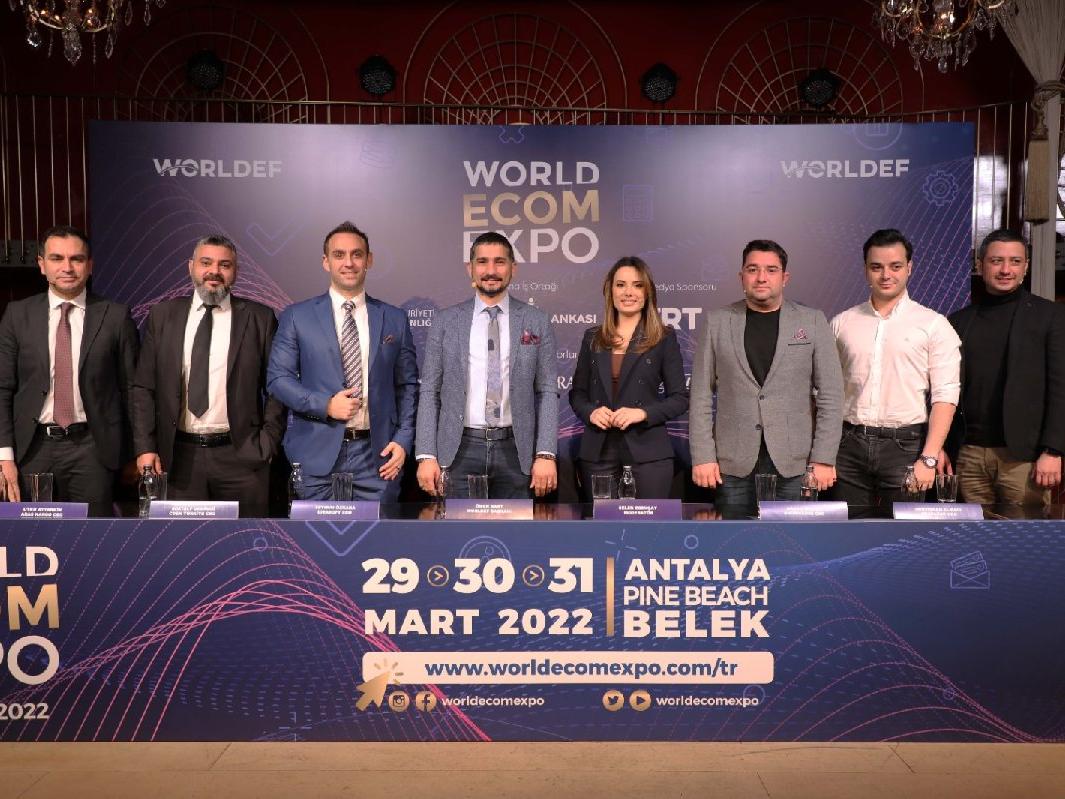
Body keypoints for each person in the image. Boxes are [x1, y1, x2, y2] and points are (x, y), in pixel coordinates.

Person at [133, 234, 285, 517]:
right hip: (178, 457)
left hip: (242, 457)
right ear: (191, 267)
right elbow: (143, 387)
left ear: (235, 272)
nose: (214, 271)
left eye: (224, 265)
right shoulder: (163, 315)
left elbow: (277, 387)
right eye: (206, 263)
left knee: (247, 539)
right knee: (184, 541)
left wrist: (267, 442)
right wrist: (145, 447)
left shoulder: (260, 318)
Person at [689, 239, 843, 514]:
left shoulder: (812, 321)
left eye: (771, 270)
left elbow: (831, 394)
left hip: (795, 463)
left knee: (794, 539)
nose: (761, 277)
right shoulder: (717, 322)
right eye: (753, 269)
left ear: (785, 278)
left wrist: (823, 458)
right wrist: (702, 456)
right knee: (733, 539)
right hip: (732, 464)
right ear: (742, 276)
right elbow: (700, 394)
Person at [267, 221, 417, 502]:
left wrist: (403, 438)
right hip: (314, 457)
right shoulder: (297, 316)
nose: (349, 263)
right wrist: (325, 405)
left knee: (379, 533)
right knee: (314, 532)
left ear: (369, 260)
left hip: (379, 459)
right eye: (339, 255)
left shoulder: (394, 318)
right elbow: (278, 380)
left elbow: (407, 386)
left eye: (357, 254)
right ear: (326, 262)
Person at [0, 225, 139, 515]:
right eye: (57, 258)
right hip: (32, 449)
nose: (67, 267)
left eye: (76, 259)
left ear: (90, 266)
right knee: (35, 534)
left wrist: (137, 452)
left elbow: (132, 390)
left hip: (93, 450)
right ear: (42, 265)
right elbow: (3, 388)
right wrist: (4, 455)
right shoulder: (17, 314)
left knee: (94, 535)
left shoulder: (115, 316)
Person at [415, 231, 558, 499]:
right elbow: (429, 390)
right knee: (457, 526)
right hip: (458, 451)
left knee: (517, 527)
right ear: (470, 268)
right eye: (482, 262)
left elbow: (548, 391)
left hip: (517, 452)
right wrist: (425, 454)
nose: (491, 271)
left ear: (513, 268)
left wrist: (546, 453)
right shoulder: (445, 321)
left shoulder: (536, 321)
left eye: (499, 262)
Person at [831, 228, 960, 515]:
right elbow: (824, 392)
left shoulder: (934, 325)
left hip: (906, 448)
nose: (886, 275)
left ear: (909, 268)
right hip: (847, 446)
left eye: (895, 266)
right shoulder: (842, 324)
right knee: (846, 535)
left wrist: (928, 458)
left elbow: (946, 396)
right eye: (876, 267)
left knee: (902, 535)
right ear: (866, 270)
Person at [946, 229, 1064, 505]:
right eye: (996, 261)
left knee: (1024, 533)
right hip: (968, 455)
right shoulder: (958, 321)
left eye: (1015, 261)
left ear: (1026, 266)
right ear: (980, 265)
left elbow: (1061, 389)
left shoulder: (1050, 316)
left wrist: (1053, 450)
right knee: (968, 533)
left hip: (1024, 459)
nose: (1005, 270)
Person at [569, 256, 688, 499]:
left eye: (637, 285)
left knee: (649, 522)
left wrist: (642, 413)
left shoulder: (663, 337)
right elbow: (577, 394)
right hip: (598, 452)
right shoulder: (592, 337)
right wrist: (591, 412)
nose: (628, 292)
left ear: (647, 292)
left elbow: (679, 398)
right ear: (610, 290)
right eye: (621, 285)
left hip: (648, 451)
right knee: (602, 523)